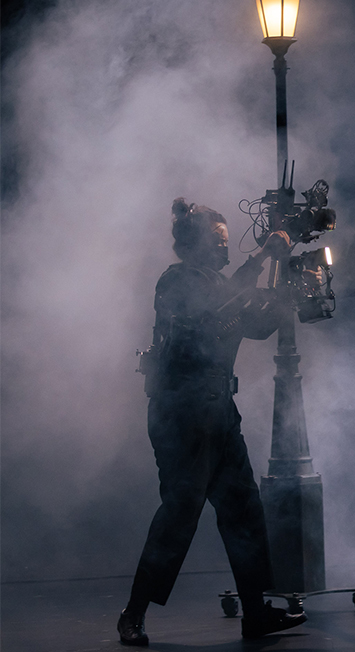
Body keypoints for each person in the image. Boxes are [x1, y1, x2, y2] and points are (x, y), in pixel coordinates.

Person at [118, 198, 307, 646]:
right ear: (197, 244)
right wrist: (263, 257)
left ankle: (257, 612)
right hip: (182, 415)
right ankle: (133, 612)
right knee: (179, 514)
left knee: (244, 511)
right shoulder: (178, 280)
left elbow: (255, 324)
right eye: (219, 242)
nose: (226, 250)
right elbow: (215, 314)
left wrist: (288, 290)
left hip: (219, 413)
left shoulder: (219, 285)